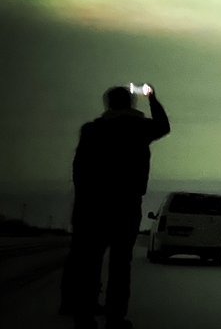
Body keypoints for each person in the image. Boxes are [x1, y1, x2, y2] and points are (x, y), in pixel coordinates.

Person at [64, 84, 170, 329]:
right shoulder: (139, 128)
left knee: (90, 263)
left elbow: (79, 170)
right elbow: (163, 126)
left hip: (93, 206)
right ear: (130, 104)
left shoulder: (92, 130)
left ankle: (84, 315)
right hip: (126, 204)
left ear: (108, 104)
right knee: (120, 264)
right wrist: (152, 98)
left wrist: (81, 207)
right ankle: (115, 317)